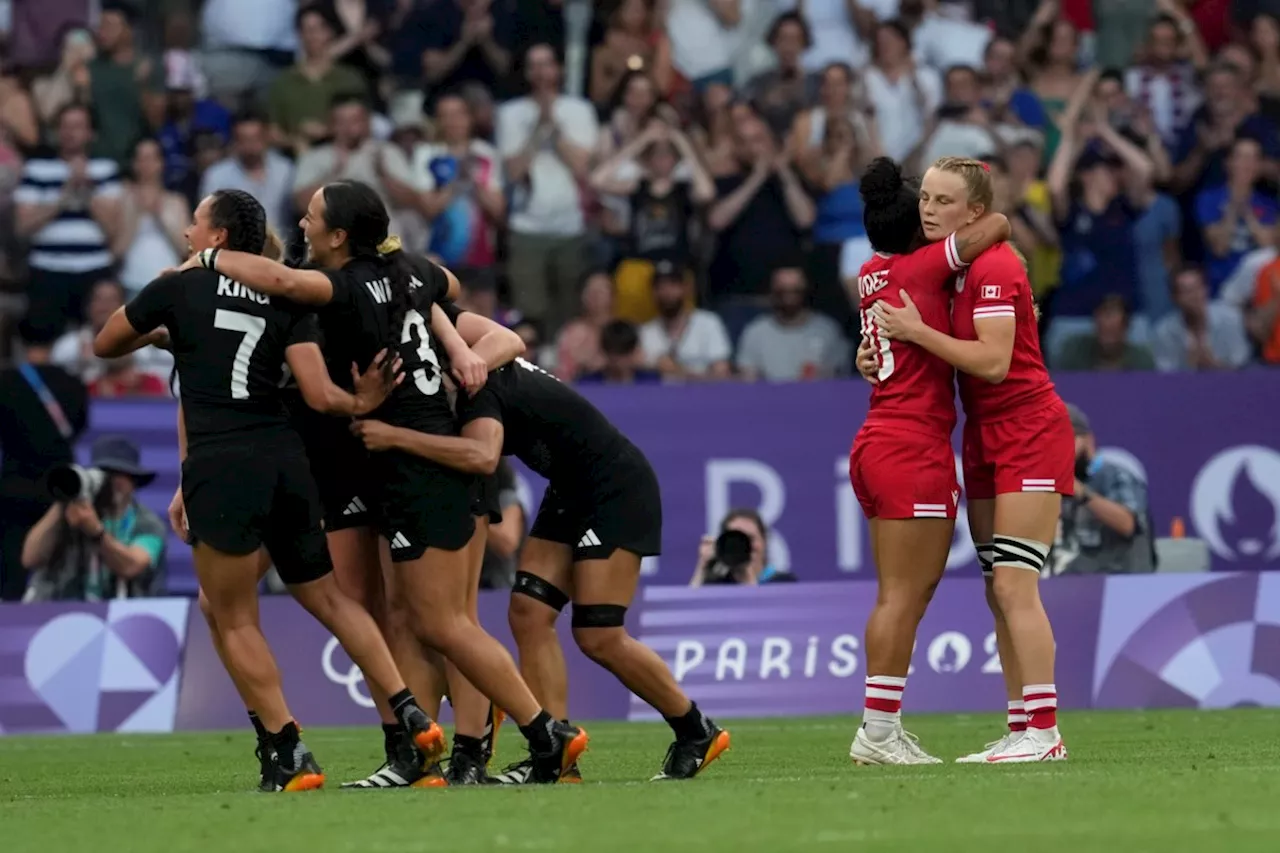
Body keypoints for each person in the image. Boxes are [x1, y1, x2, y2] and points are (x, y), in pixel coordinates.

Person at [186, 181, 588, 785]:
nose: (303, 224)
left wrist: (205, 261)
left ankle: (519, 738)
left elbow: (288, 287)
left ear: (340, 236)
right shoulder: (408, 272)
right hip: (389, 458)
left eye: (314, 217)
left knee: (437, 619)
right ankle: (434, 749)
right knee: (410, 615)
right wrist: (454, 341)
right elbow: (446, 291)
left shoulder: (329, 288)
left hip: (414, 456)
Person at [94, 188, 444, 792]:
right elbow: (318, 392)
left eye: (195, 224)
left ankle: (286, 751)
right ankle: (409, 713)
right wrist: (360, 401)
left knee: (229, 615)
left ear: (219, 237)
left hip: (223, 465)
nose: (186, 235)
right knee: (333, 599)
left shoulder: (177, 289)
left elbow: (105, 344)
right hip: (289, 463)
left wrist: (163, 324)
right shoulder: (286, 295)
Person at [351, 307, 731, 784]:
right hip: (569, 490)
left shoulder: (474, 387)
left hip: (615, 487)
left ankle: (695, 728)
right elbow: (506, 340)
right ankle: (557, 751)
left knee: (599, 635)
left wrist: (392, 436)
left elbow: (485, 456)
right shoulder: (467, 360)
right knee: (528, 613)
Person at [866, 156, 1072, 764]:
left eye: (943, 201)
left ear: (974, 212)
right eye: (925, 199)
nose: (928, 210)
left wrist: (915, 331)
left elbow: (993, 363)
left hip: (1029, 429)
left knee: (1014, 584)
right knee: (996, 587)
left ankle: (1045, 731)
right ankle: (1021, 726)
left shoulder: (995, 265)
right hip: (985, 434)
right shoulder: (952, 271)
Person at [848, 156, 1009, 766]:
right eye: (926, 204)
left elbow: (875, 349)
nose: (933, 213)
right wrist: (957, 214)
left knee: (903, 593)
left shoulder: (871, 271)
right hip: (911, 445)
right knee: (902, 596)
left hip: (878, 441)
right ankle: (879, 732)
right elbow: (997, 225)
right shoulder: (921, 265)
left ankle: (883, 727)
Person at [0, 319, 90, 602]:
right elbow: (80, 425)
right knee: (60, 562)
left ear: (19, 343)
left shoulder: (6, 382)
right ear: (56, 343)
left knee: (13, 567)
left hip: (15, 486)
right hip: (61, 487)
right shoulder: (74, 384)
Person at [21, 435, 167, 601]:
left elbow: (132, 565)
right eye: (107, 473)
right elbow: (30, 558)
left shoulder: (148, 524)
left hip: (124, 616)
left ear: (134, 481)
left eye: (121, 474)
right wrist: (63, 499)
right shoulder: (70, 511)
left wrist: (96, 533)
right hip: (60, 612)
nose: (113, 482)